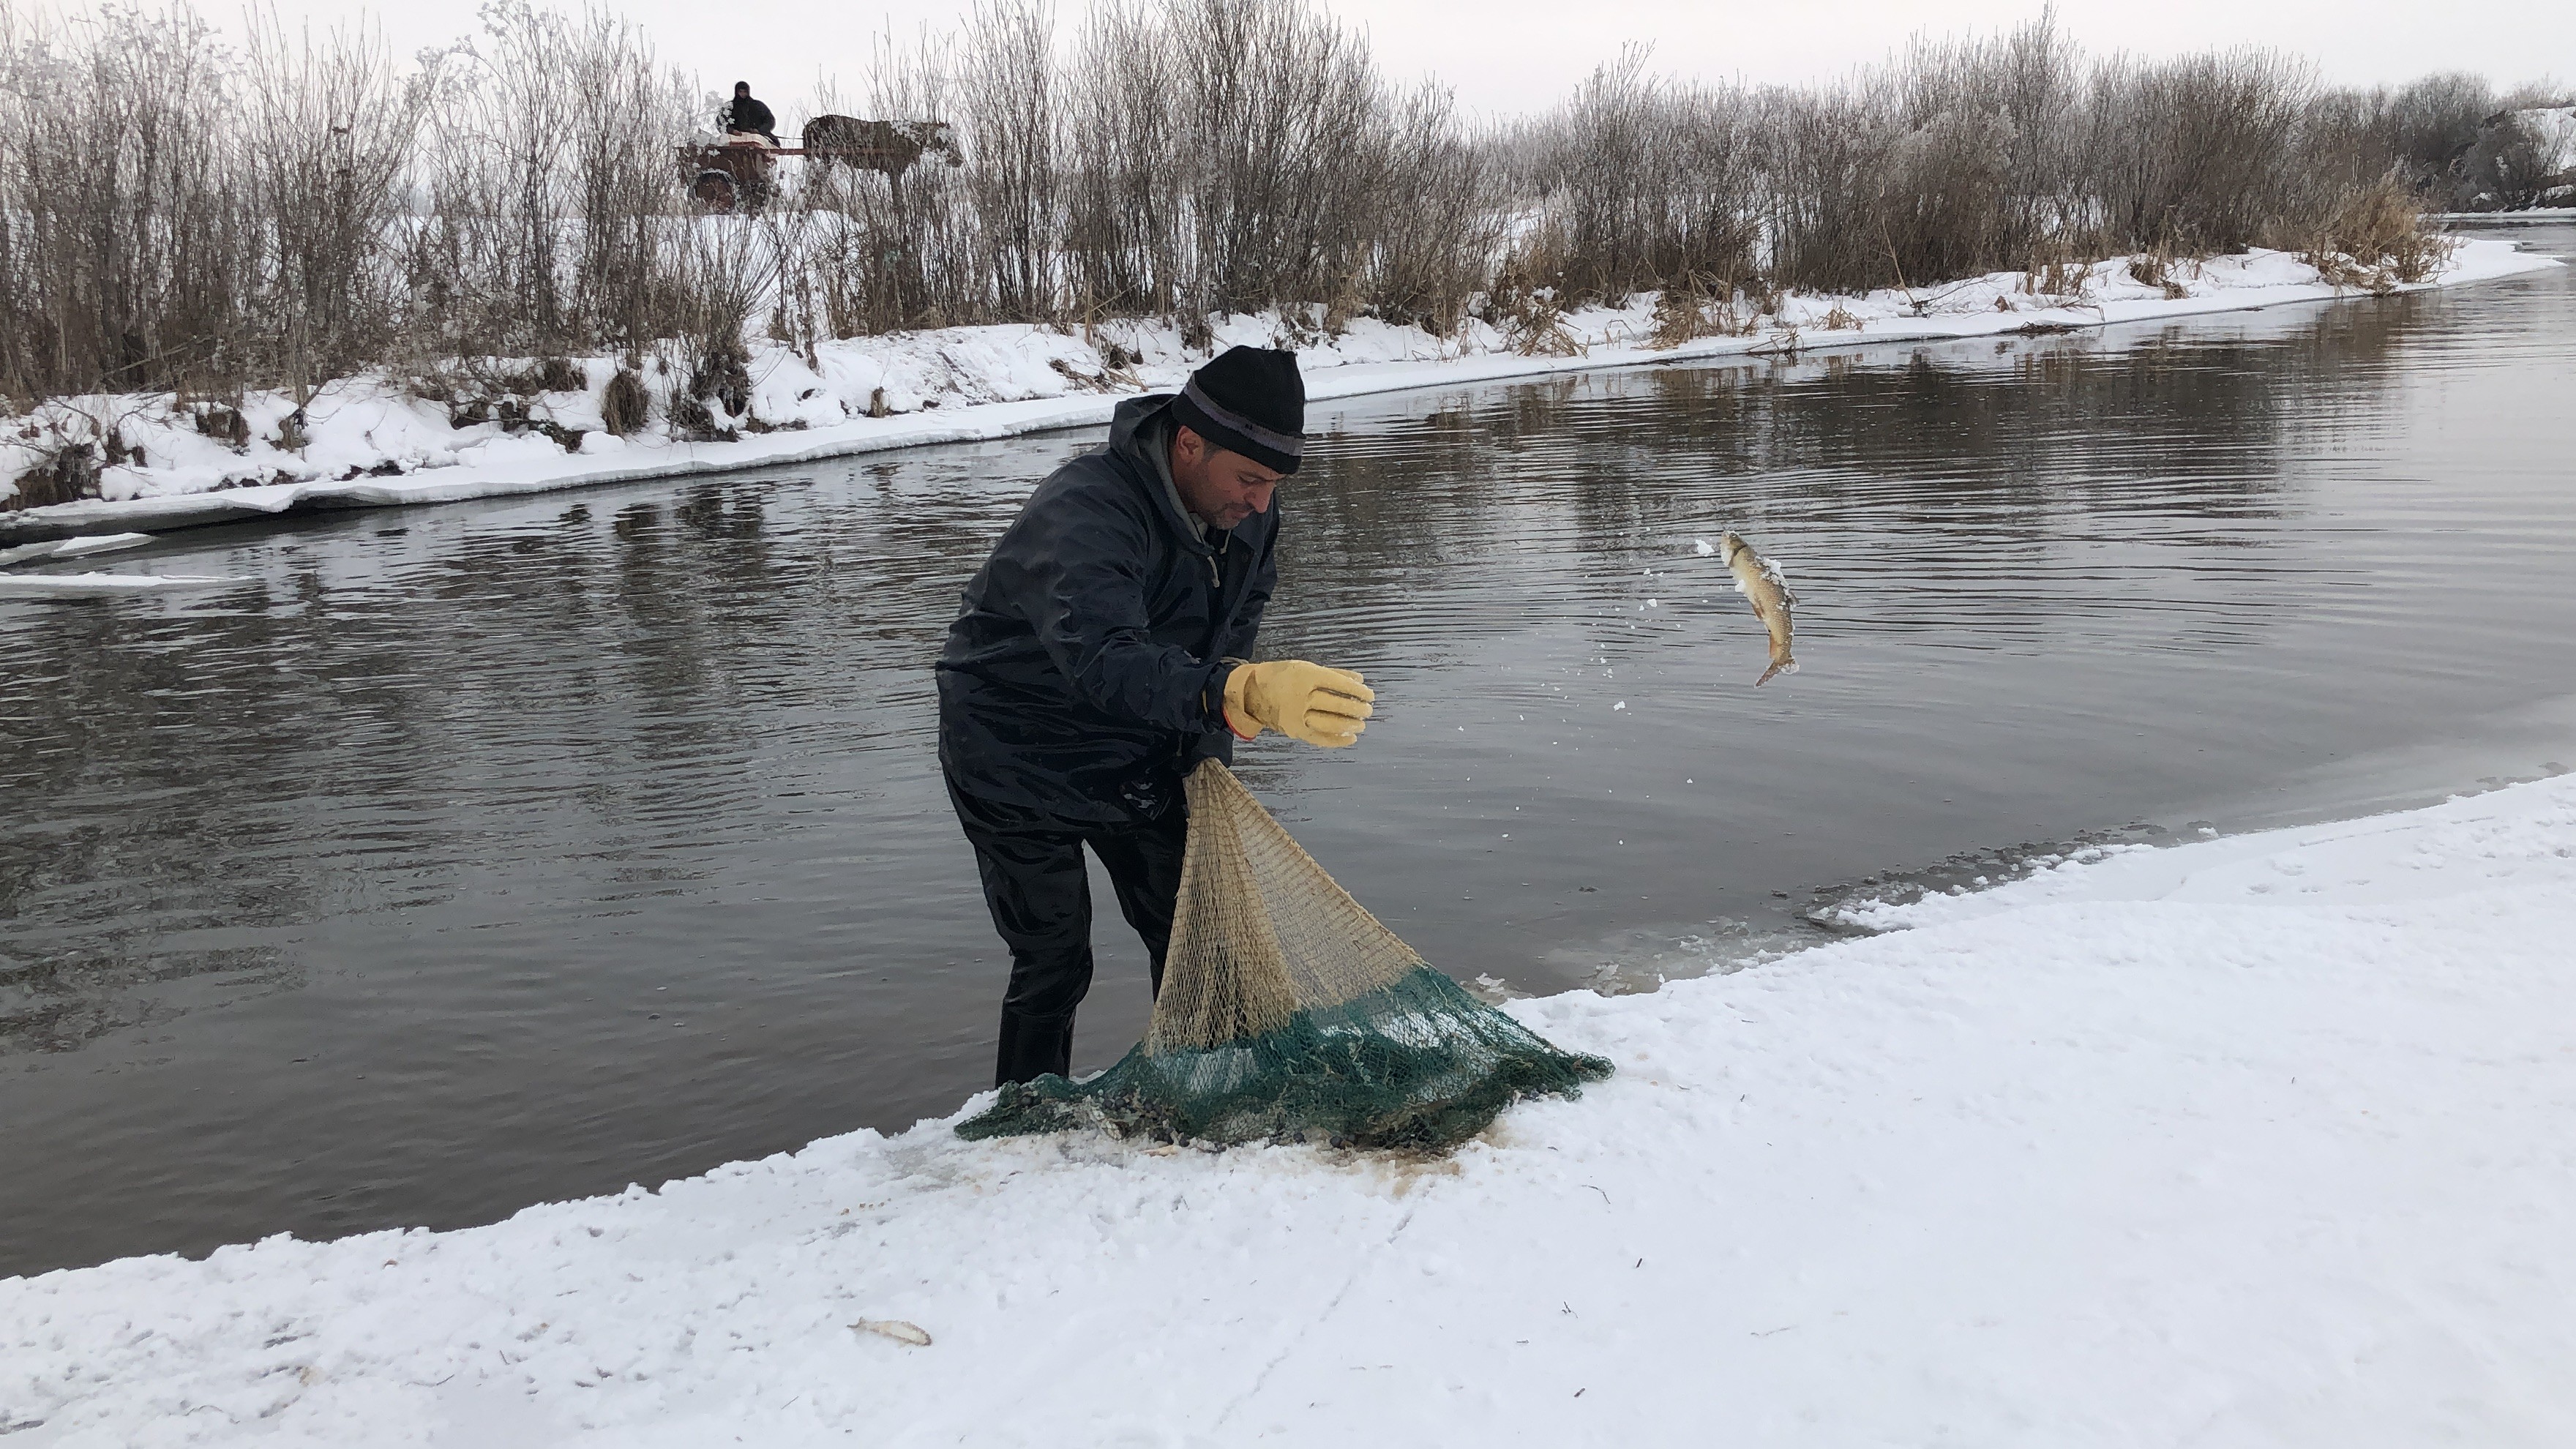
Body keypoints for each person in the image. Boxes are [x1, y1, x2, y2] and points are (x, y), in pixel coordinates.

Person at [937, 346, 1376, 1087]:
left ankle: (1205, 1089)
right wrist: (1234, 692)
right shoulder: (1084, 511)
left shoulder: (1249, 516)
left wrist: (1209, 749)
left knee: (1194, 935)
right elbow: (1103, 657)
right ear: (1187, 444)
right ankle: (1025, 1114)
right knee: (1053, 956)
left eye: (1273, 484)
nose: (1262, 503)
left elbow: (1234, 625)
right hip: (1011, 748)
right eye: (1249, 480)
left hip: (1140, 735)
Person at [719, 81, 779, 148]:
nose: (742, 94)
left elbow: (770, 120)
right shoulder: (729, 107)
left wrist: (759, 130)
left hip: (758, 136)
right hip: (734, 136)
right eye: (740, 92)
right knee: (723, 142)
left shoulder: (758, 106)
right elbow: (720, 122)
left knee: (757, 140)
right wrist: (731, 130)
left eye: (745, 92)